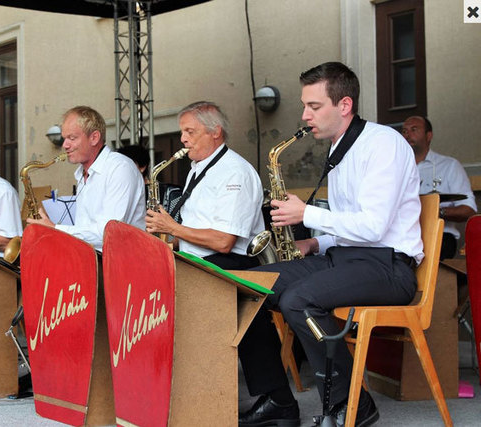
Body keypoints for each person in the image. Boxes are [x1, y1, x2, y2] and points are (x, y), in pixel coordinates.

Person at [239, 62, 423, 427]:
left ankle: (352, 404)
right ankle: (278, 399)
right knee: (248, 286)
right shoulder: (339, 146)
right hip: (346, 259)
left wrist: (306, 214)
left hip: (389, 267)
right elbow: (350, 225)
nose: (305, 115)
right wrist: (316, 244)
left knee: (297, 299)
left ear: (344, 105)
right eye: (305, 106)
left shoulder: (383, 144)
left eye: (314, 106)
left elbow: (373, 227)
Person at [144, 101, 265, 270]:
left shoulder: (234, 172)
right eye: (182, 132)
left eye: (190, 132)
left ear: (215, 132)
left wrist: (171, 227)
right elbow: (196, 226)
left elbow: (223, 241)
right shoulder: (198, 168)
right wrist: (165, 244)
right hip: (200, 261)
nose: (182, 139)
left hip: (228, 266)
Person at [27, 105, 146, 251]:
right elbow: (86, 230)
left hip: (123, 266)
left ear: (94, 138)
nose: (65, 145)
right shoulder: (83, 174)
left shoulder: (120, 168)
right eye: (64, 138)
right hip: (95, 262)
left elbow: (110, 232)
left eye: (72, 138)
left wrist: (55, 229)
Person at [401, 115, 477, 259]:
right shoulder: (395, 167)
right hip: (403, 237)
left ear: (428, 136)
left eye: (414, 129)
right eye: (404, 131)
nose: (407, 134)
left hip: (440, 236)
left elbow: (469, 210)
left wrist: (435, 211)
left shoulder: (449, 166)